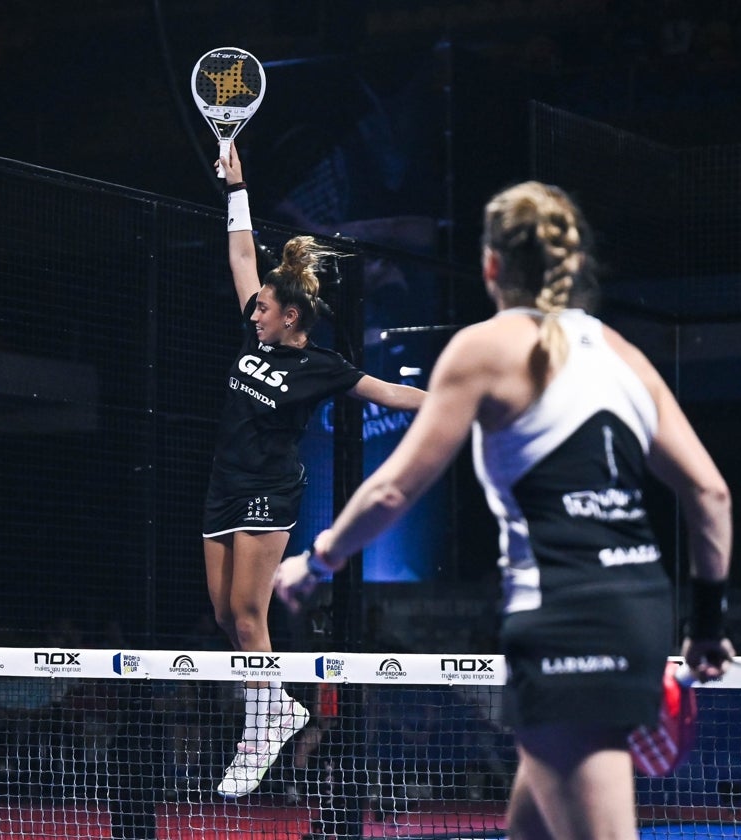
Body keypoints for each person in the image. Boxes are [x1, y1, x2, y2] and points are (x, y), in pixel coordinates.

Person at [274, 181, 734, 838]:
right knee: (534, 822)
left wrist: (317, 564)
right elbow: (711, 494)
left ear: (492, 266)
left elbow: (393, 490)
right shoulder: (622, 353)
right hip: (640, 611)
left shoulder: (484, 347)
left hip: (564, 615)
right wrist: (709, 624)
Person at [208, 143, 426, 799]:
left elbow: (389, 394)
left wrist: (462, 403)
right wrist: (237, 187)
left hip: (269, 491)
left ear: (293, 316)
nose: (256, 313)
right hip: (223, 484)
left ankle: (265, 723)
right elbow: (244, 256)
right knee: (225, 614)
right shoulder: (255, 336)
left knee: (250, 614)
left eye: (266, 309)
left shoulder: (322, 365)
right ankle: (275, 707)